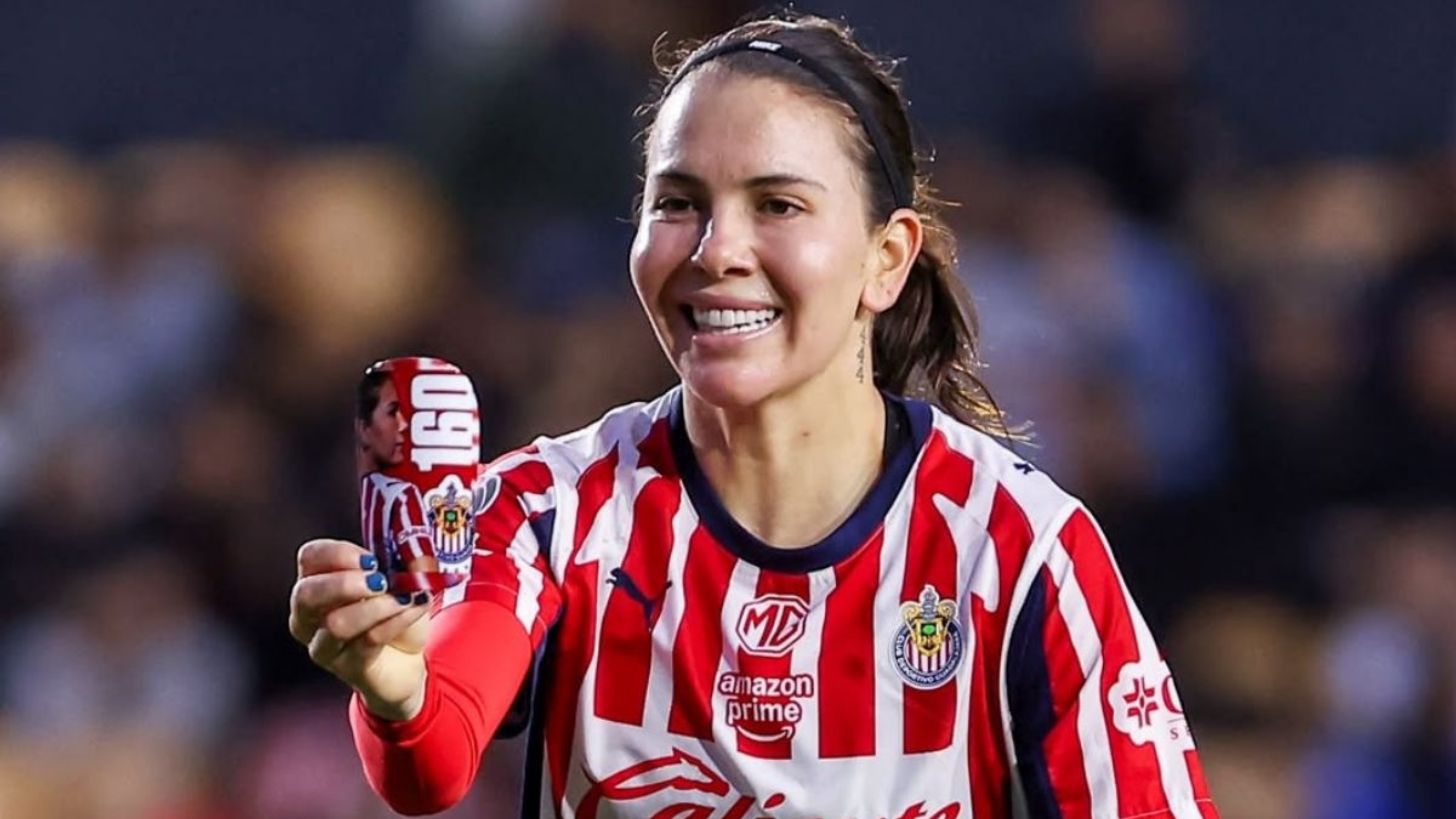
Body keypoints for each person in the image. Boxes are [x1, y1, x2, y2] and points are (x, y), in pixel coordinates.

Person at [289, 13, 1221, 818]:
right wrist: (395, 684)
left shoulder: (1017, 548)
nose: (716, 249)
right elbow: (434, 753)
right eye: (678, 203)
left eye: (777, 204)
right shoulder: (551, 512)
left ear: (887, 259)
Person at [356, 366, 438, 584]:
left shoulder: (361, 495)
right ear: (364, 429)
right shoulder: (402, 497)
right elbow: (426, 584)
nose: (403, 424)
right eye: (393, 412)